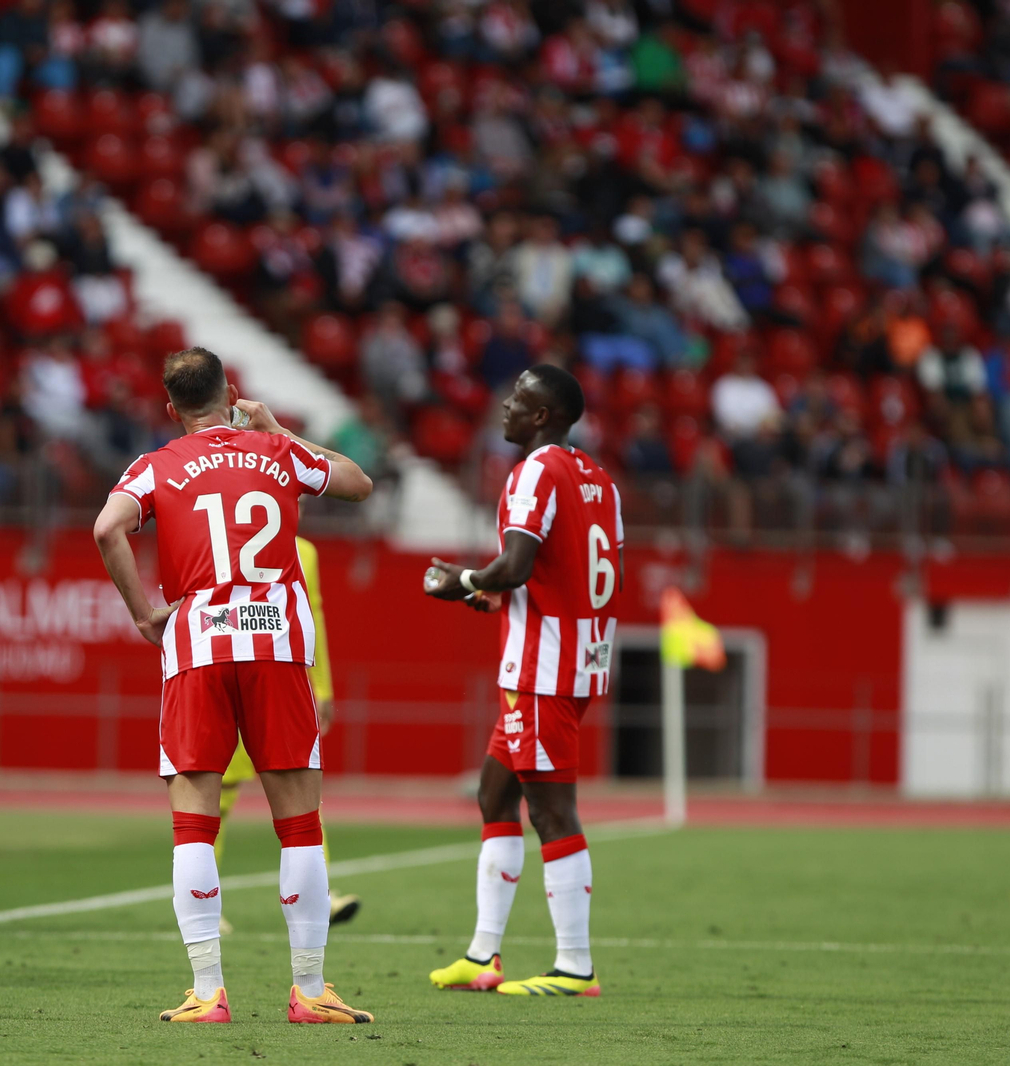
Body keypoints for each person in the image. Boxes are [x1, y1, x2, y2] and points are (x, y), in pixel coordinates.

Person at [94, 347, 374, 1024]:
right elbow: (359, 483)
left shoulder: (156, 465)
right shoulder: (276, 451)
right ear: (231, 393)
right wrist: (278, 429)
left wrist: (143, 614)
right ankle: (310, 991)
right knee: (299, 824)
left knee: (194, 822)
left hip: (198, 643)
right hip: (276, 642)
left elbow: (107, 528)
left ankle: (207, 992)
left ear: (171, 408)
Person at [423, 364, 621, 998]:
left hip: (542, 670)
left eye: (517, 398)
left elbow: (515, 566)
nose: (505, 405)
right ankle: (483, 955)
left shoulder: (535, 471)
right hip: (578, 659)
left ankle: (576, 967)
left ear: (542, 416)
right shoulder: (599, 479)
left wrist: (463, 582)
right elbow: (572, 573)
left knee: (552, 810)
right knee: (495, 794)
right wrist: (498, 596)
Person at [213, 534, 359, 930]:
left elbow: (312, 618)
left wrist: (322, 686)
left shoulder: (305, 551)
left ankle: (319, 895)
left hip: (280, 680)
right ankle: (205, 901)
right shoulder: (224, 535)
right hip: (232, 671)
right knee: (218, 791)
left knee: (302, 787)